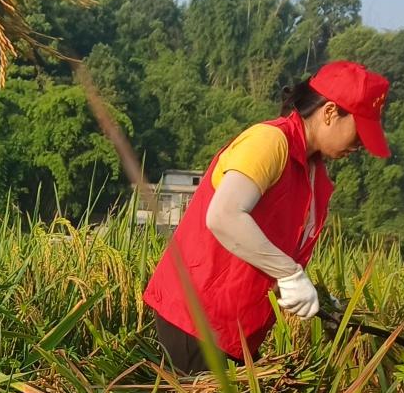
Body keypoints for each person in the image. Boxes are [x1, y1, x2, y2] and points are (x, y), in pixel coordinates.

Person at [142, 61, 391, 372]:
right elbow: (224, 216)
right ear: (329, 112)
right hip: (197, 317)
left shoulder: (313, 173)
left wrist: (313, 297)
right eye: (359, 132)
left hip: (235, 325)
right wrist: (290, 274)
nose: (361, 145)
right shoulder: (270, 142)